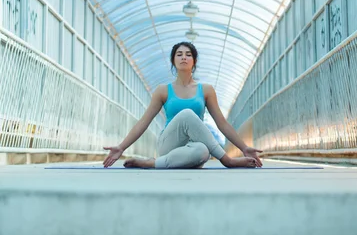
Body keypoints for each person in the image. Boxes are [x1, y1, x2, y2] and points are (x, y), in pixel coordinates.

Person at [103, 42, 263, 169]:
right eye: (179, 54)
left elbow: (222, 123)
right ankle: (227, 160)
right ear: (173, 60)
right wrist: (121, 147)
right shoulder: (163, 90)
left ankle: (153, 163)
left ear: (194, 61)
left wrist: (244, 148)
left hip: (191, 149)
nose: (183, 57)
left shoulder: (206, 90)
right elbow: (143, 122)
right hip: (169, 144)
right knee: (187, 114)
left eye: (188, 55)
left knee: (203, 151)